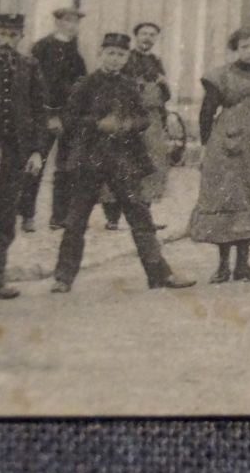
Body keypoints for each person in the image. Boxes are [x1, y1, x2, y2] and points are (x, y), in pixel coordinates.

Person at [52, 33, 196, 294]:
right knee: (76, 220)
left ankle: (158, 274)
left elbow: (143, 118)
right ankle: (63, 277)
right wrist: (97, 124)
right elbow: (69, 120)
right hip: (90, 159)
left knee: (140, 216)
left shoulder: (130, 86)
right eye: (110, 53)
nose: (115, 59)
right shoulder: (85, 84)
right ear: (101, 54)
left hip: (123, 159)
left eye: (120, 55)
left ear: (126, 57)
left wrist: (129, 124)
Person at [189, 28, 250, 283]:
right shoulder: (220, 77)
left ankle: (243, 265)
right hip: (226, 144)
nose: (249, 51)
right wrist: (205, 145)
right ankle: (222, 266)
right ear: (235, 50)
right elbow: (206, 112)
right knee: (227, 199)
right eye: (244, 47)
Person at [0, 12, 47, 300]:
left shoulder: (30, 66)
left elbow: (38, 111)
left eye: (13, 35)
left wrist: (36, 150)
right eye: (2, 34)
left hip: (15, 153)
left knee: (5, 219)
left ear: (21, 37)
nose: (6, 40)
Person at [23, 8, 87, 232]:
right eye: (68, 21)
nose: (72, 25)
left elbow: (80, 86)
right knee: (35, 163)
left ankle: (59, 216)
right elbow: (40, 85)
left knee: (66, 167)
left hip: (70, 118)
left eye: (75, 22)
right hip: (45, 115)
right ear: (58, 22)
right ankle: (27, 214)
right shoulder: (42, 47)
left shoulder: (76, 52)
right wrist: (51, 116)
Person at [105, 20, 173, 230]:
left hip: (152, 118)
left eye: (152, 34)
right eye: (144, 33)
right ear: (136, 36)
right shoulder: (126, 58)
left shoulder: (156, 61)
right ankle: (113, 217)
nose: (148, 38)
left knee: (152, 164)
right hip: (127, 116)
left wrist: (163, 86)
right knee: (121, 163)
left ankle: (145, 218)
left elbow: (165, 95)